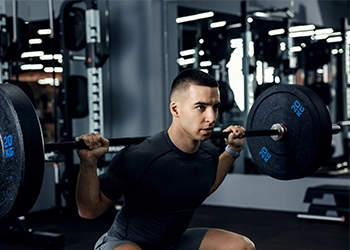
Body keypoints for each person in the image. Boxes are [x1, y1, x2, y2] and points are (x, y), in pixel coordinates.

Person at [75, 69, 255, 250]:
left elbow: (206, 184)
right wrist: (88, 163)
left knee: (242, 246)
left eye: (215, 107)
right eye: (201, 107)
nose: (212, 117)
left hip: (172, 243)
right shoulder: (139, 157)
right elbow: (89, 211)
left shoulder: (208, 152)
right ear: (175, 109)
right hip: (124, 243)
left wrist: (233, 150)